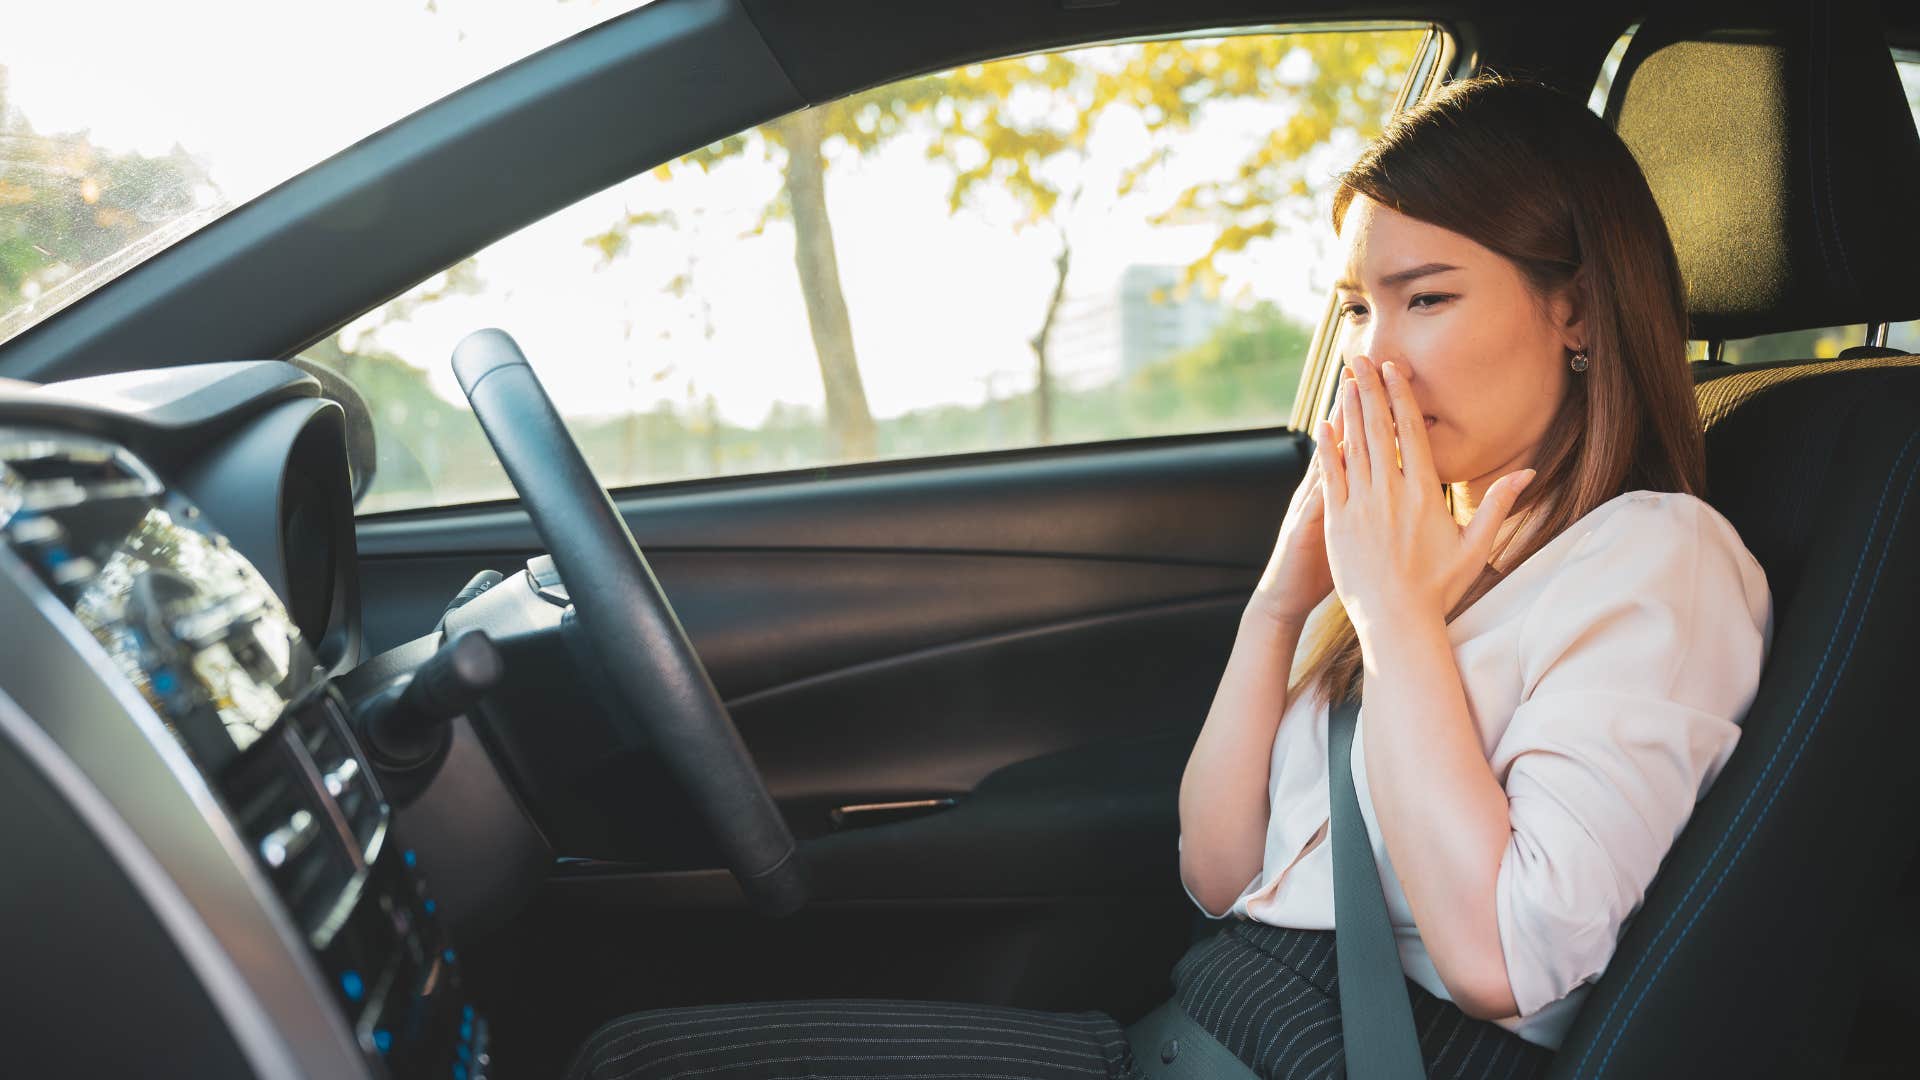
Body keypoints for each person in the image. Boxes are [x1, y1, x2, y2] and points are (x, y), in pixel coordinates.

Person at [565, 71, 1772, 1080]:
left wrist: (1397, 616)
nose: (1375, 360)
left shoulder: (1657, 561)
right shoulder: (1416, 540)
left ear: (1575, 310)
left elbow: (1505, 963)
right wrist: (1285, 599)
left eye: (1427, 300)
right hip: (1168, 1040)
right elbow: (1218, 872)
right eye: (1357, 310)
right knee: (634, 1057)